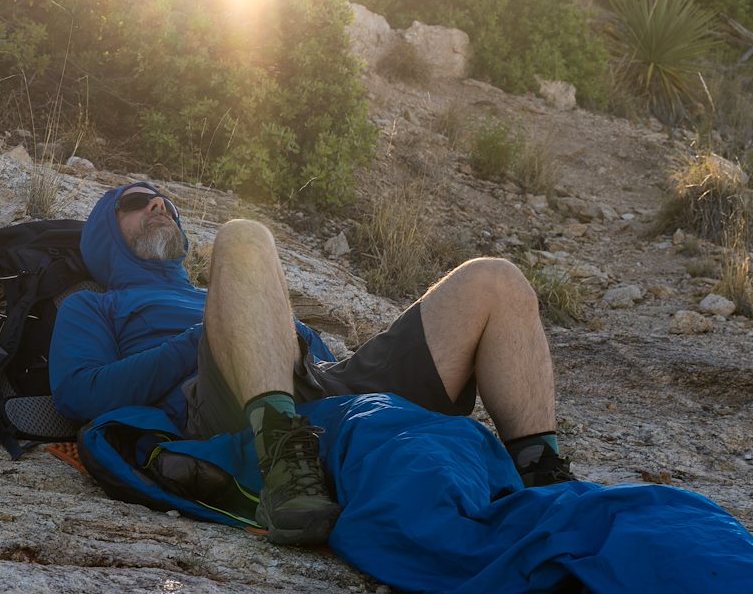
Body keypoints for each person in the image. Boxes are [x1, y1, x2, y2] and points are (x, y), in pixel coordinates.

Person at [50, 182, 574, 548]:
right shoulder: (95, 305)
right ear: (104, 233)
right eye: (137, 201)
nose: (159, 204)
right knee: (243, 235)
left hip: (323, 387)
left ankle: (542, 475)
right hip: (224, 401)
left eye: (167, 203)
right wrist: (204, 336)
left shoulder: (219, 290)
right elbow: (79, 393)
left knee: (494, 279)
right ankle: (286, 474)